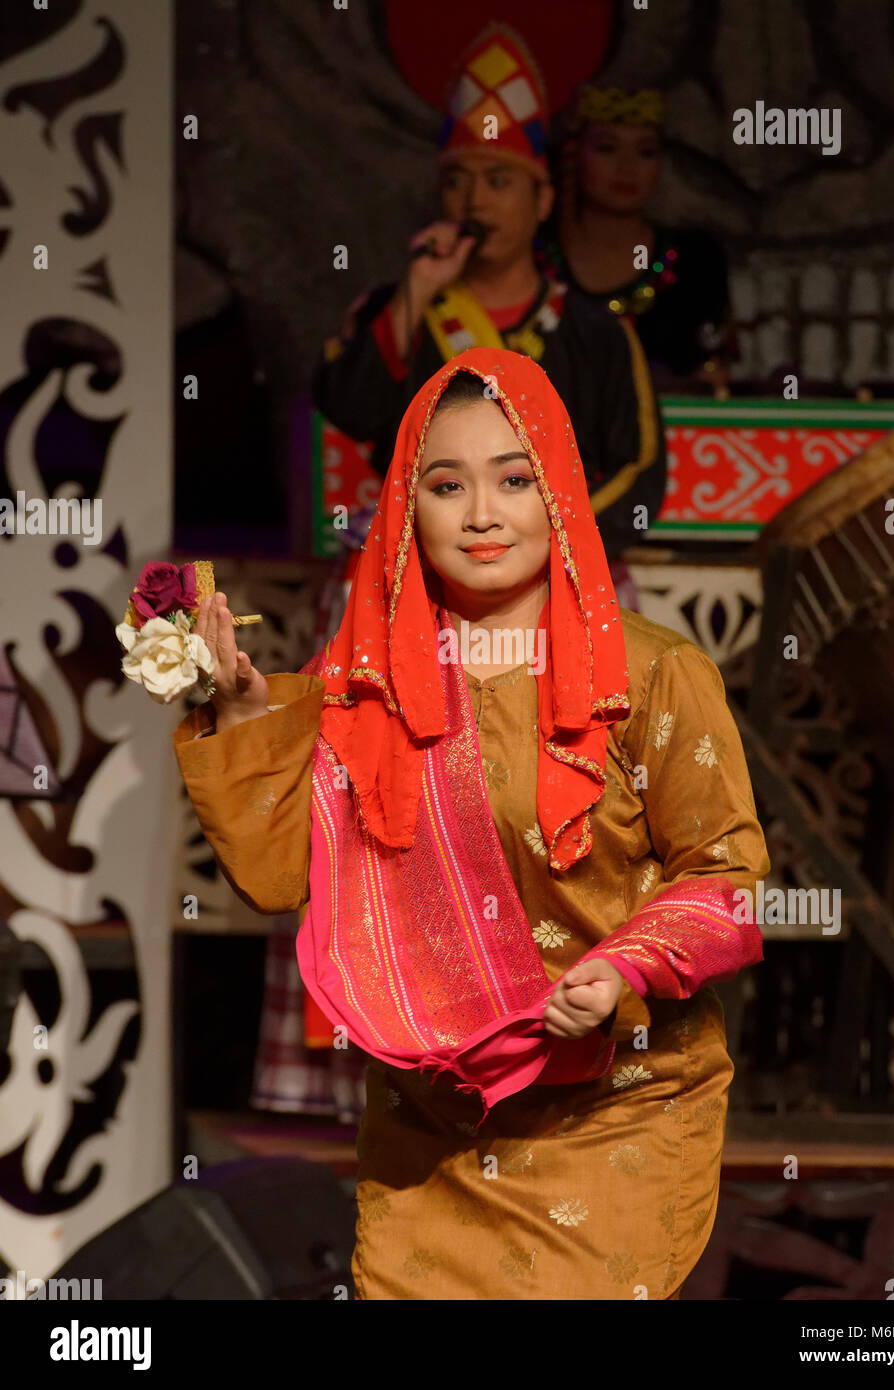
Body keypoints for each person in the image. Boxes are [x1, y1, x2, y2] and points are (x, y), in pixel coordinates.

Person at [173, 347, 770, 1300]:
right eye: (447, 485)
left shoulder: (653, 675)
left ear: (561, 493)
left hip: (611, 1116)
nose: (483, 515)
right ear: (409, 508)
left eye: (515, 479)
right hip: (432, 1137)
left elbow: (731, 880)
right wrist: (245, 718)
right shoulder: (360, 686)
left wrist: (625, 964)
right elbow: (282, 879)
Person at [311, 24, 663, 560]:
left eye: (499, 181)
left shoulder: (595, 332)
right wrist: (420, 286)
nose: (474, 201)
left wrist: (542, 544)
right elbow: (349, 409)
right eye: (457, 181)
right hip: (418, 574)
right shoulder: (399, 309)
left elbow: (638, 470)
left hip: (562, 574)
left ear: (542, 198)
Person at [541, 83, 737, 395]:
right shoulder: (533, 257)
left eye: (646, 152)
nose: (627, 168)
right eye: (607, 148)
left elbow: (714, 377)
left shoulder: (696, 260)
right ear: (574, 155)